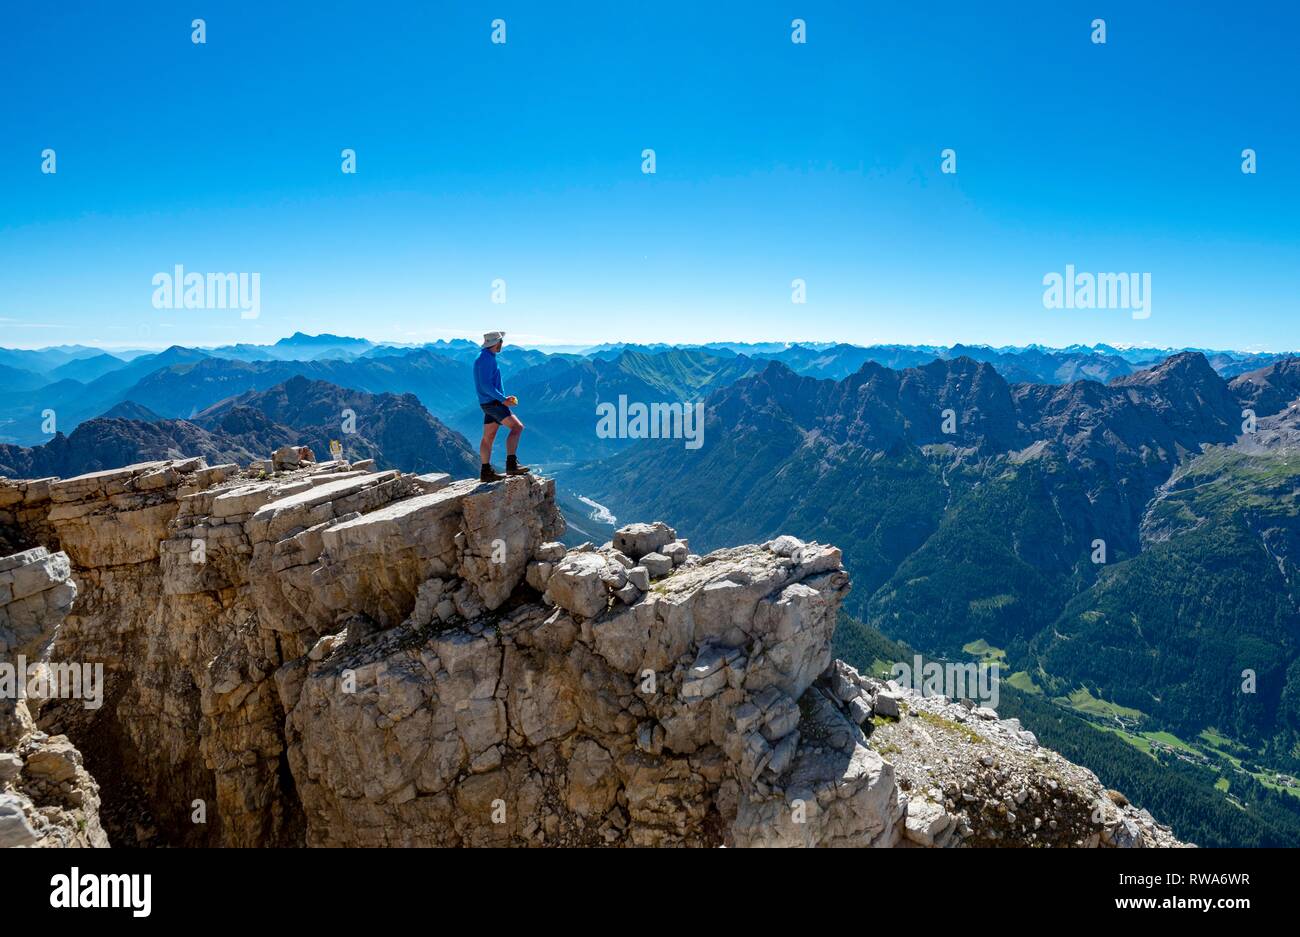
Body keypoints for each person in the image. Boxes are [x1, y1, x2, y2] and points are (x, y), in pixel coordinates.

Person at [474, 330, 530, 482]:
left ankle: (486, 472)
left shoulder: (484, 357)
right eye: (501, 342)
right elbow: (486, 385)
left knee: (488, 437)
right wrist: (503, 399)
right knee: (517, 427)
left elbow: (487, 385)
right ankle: (511, 464)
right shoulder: (486, 359)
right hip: (494, 403)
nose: (502, 345)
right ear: (496, 343)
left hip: (487, 403)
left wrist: (504, 398)